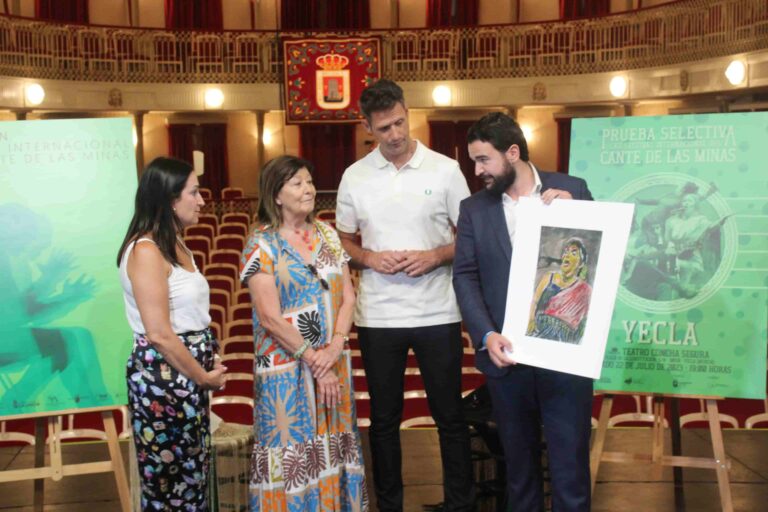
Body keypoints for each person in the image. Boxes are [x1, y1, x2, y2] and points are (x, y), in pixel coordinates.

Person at [335, 79, 474, 512]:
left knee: (450, 417)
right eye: (383, 128)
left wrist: (436, 255)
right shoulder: (354, 176)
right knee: (383, 421)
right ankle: (389, 505)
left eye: (399, 123)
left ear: (407, 112)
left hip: (438, 312)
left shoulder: (445, 170)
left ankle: (460, 505)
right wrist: (369, 258)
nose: (394, 134)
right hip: (378, 316)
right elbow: (342, 242)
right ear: (367, 127)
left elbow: (469, 237)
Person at [453, 112, 594, 512]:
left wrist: (579, 212)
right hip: (507, 358)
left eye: (483, 159)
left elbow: (605, 251)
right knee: (519, 475)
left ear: (512, 153)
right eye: (474, 161)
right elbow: (465, 276)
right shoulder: (473, 209)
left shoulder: (572, 189)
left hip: (565, 359)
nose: (477, 170)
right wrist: (485, 334)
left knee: (570, 472)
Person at [240, 155, 368, 511]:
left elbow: (348, 297)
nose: (308, 189)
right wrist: (315, 360)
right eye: (297, 183)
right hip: (287, 371)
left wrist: (334, 349)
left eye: (309, 181)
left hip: (333, 363)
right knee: (292, 454)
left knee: (333, 447)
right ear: (276, 195)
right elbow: (270, 317)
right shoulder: (261, 244)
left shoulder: (328, 234)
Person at [117, 157, 227, 511]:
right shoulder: (145, 251)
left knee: (192, 481)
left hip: (184, 377)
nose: (202, 200)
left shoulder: (175, 243)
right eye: (194, 192)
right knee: (170, 487)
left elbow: (189, 318)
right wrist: (203, 377)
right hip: (164, 381)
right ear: (169, 199)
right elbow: (160, 334)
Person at [527, 237, 593, 344]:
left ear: (581, 263)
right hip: (539, 329)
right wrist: (531, 320)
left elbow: (585, 325)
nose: (567, 255)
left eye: (573, 253)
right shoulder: (549, 277)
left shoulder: (586, 291)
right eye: (566, 251)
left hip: (564, 339)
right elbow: (534, 301)